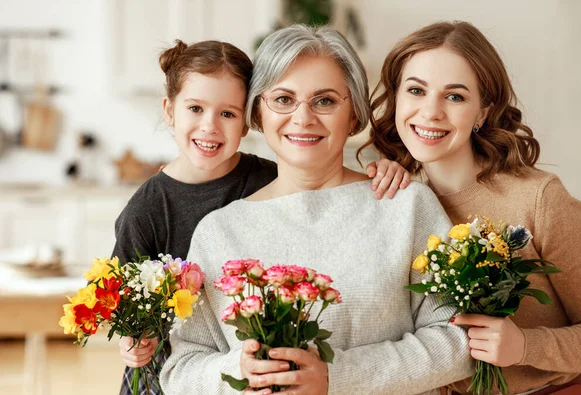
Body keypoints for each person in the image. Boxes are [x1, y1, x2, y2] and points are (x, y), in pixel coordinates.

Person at [161, 24, 472, 395]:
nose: (303, 117)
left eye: (324, 101)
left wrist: (336, 377)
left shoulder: (406, 206)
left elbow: (460, 339)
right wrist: (238, 372)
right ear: (257, 113)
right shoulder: (219, 231)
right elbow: (180, 370)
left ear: (354, 114)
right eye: (283, 99)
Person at [112, 39, 407, 394]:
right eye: (195, 108)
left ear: (246, 120)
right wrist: (133, 338)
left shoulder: (271, 175)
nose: (210, 126)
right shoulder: (149, 210)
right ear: (169, 110)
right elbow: (121, 300)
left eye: (227, 113)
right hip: (161, 365)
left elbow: (321, 181)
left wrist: (384, 171)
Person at [363, 20, 581, 394]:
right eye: (416, 90)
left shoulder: (538, 199)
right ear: (397, 99)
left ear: (483, 112)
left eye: (454, 96)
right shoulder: (393, 201)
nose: (430, 112)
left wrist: (526, 346)